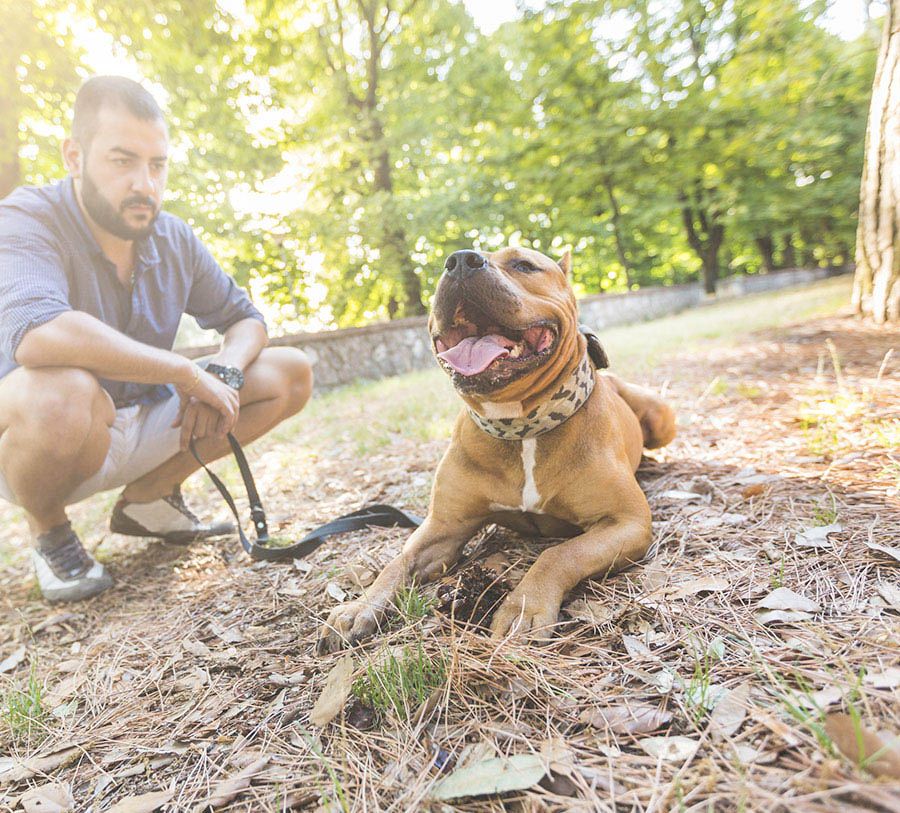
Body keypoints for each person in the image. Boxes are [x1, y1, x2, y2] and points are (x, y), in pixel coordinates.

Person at [0, 76, 313, 603]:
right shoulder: (25, 217)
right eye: (122, 161)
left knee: (288, 371)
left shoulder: (173, 236)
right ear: (74, 156)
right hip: (48, 434)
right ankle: (49, 528)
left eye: (157, 164)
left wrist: (226, 369)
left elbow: (246, 320)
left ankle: (149, 498)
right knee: (65, 391)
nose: (145, 183)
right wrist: (185, 372)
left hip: (144, 416)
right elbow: (38, 334)